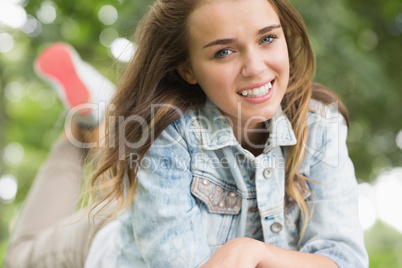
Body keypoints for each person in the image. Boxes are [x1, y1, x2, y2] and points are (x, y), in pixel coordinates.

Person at [83, 0, 369, 267]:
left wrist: (258, 251)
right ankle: (85, 121)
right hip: (101, 249)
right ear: (187, 70)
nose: (255, 67)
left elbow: (344, 257)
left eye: (267, 38)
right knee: (37, 237)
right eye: (224, 52)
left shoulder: (320, 125)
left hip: (131, 212)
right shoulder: (166, 133)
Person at [4, 42, 115, 268]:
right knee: (19, 259)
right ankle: (99, 113)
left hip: (115, 226)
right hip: (119, 234)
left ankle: (96, 114)